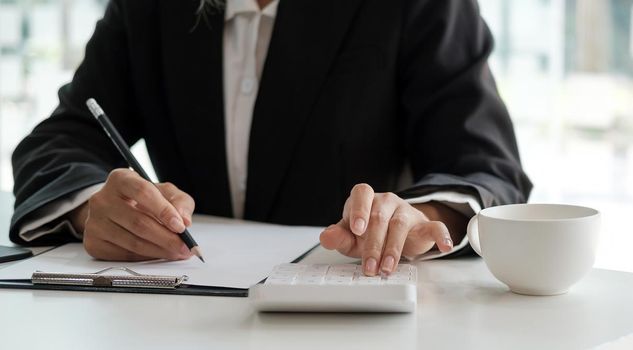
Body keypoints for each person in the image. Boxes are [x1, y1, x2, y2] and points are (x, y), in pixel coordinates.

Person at [9, 0, 531, 276]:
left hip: (360, 320)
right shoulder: (150, 6)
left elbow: (486, 164)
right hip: (179, 318)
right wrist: (89, 210)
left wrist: (424, 218)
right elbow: (65, 137)